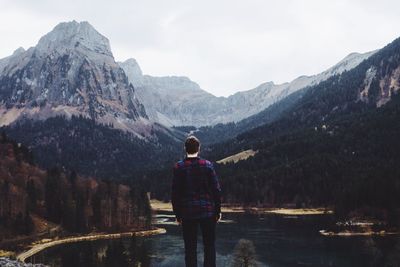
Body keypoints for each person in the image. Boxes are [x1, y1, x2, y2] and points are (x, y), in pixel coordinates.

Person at [171, 135, 222, 267]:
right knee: (209, 246)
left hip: (188, 213)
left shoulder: (179, 167)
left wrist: (177, 215)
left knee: (190, 248)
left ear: (185, 149)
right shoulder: (208, 165)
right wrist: (217, 211)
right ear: (199, 149)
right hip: (208, 212)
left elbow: (175, 194)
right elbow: (216, 190)